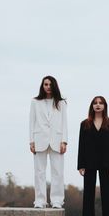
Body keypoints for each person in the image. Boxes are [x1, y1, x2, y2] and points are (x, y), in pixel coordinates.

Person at [77, 96, 109, 216]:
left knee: (107, 193)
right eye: (95, 103)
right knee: (88, 192)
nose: (98, 105)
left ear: (105, 106)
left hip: (106, 163)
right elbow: (81, 145)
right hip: (89, 162)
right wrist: (80, 165)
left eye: (101, 103)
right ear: (92, 106)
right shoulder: (84, 124)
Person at [29, 75, 68, 208]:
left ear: (54, 86)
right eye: (46, 84)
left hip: (57, 140)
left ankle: (57, 201)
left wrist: (64, 141)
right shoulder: (35, 102)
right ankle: (40, 201)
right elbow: (31, 122)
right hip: (39, 139)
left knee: (57, 171)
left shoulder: (61, 102)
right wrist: (31, 141)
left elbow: (64, 123)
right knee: (39, 171)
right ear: (42, 86)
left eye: (50, 84)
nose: (48, 87)